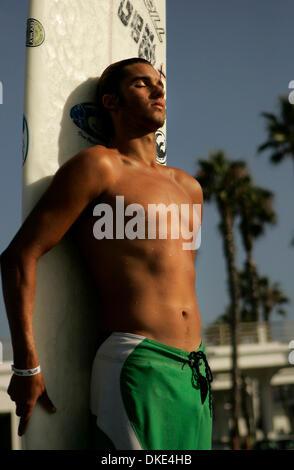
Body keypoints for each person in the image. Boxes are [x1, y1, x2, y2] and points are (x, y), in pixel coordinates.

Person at [0, 57, 213, 450]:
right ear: (111, 102)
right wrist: (27, 365)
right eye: (141, 84)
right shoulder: (100, 167)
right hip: (137, 365)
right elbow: (18, 256)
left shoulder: (190, 188)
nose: (158, 89)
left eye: (159, 82)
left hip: (195, 371)